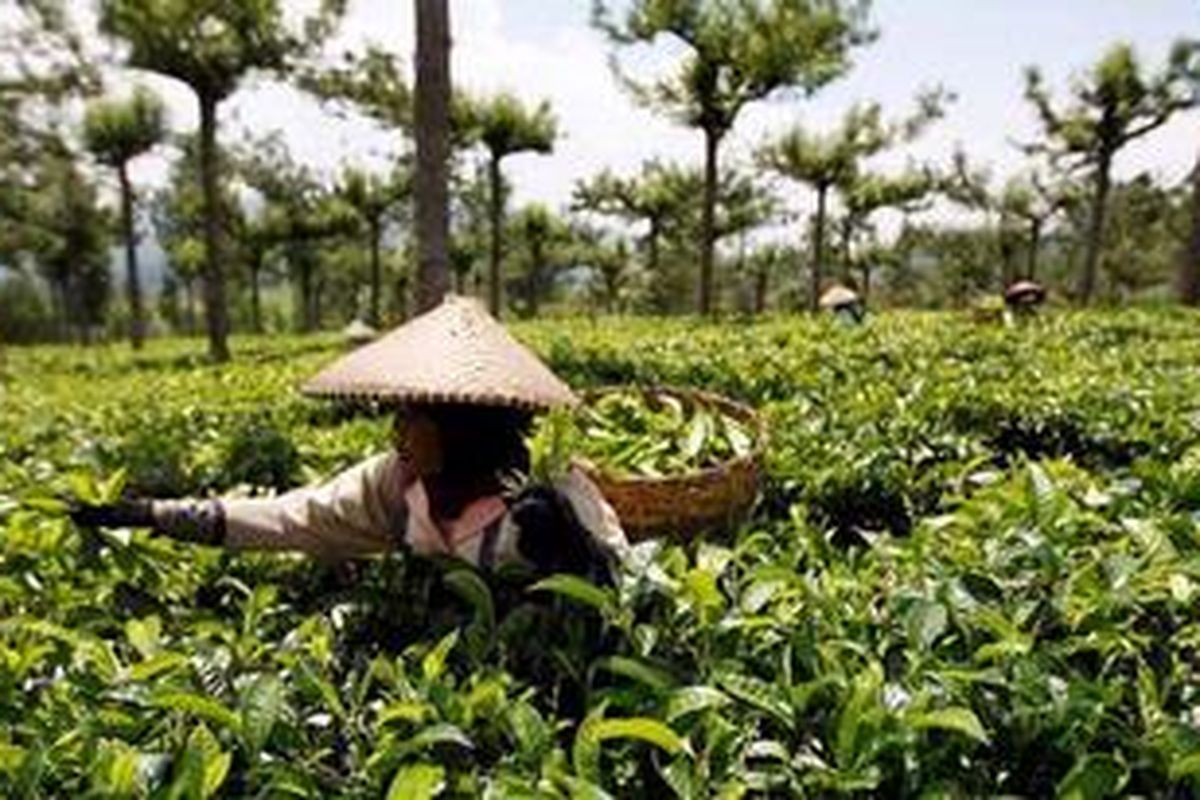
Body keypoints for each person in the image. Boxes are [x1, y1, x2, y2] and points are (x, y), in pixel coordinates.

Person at [69, 296, 627, 582]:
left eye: (412, 417)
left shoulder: (547, 489)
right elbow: (297, 518)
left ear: (460, 425)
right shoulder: (396, 481)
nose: (397, 431)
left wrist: (570, 553)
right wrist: (154, 515)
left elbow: (617, 570)